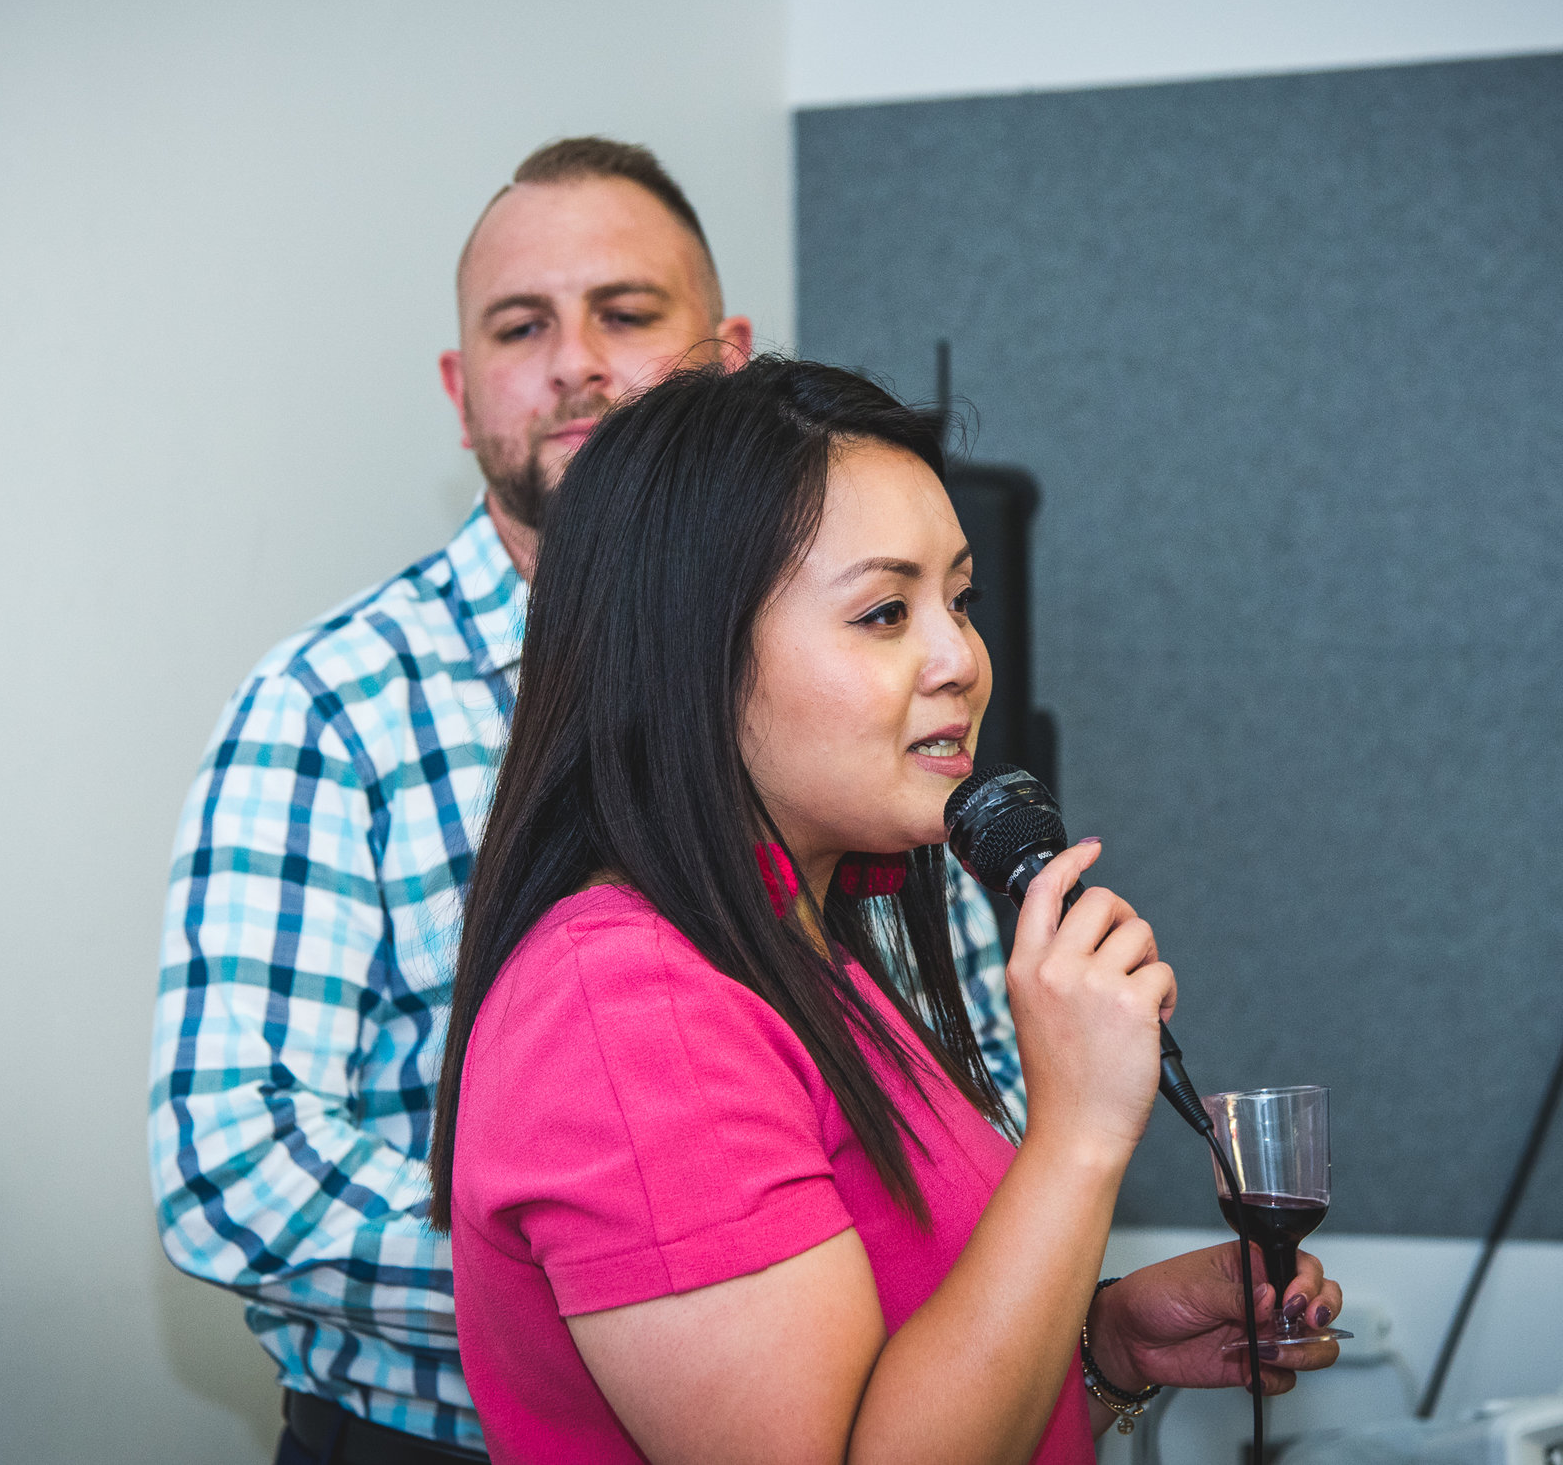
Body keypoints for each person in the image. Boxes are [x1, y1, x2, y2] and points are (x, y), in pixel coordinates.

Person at [149, 139, 1025, 1463]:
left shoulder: (853, 720)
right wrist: (633, 1278)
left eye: (626, 313)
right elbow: (232, 1166)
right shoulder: (337, 706)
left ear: (732, 361)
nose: (575, 364)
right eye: (521, 327)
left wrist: (868, 1284)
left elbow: (967, 1076)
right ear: (461, 392)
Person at [434, 358, 1340, 1463]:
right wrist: (1078, 1138)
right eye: (882, 612)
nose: (961, 658)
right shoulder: (628, 1012)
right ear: (691, 659)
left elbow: (920, 1396)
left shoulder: (804, 951)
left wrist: (1102, 1346)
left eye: (958, 602)